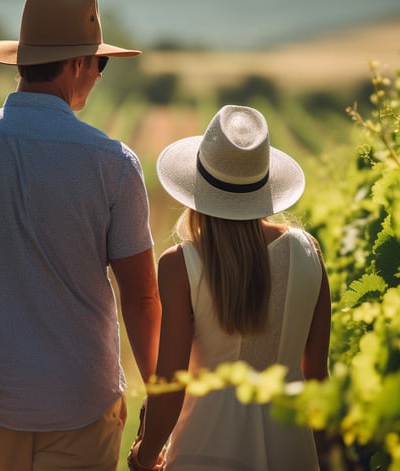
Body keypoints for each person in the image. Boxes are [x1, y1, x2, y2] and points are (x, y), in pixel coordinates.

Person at [0, 0, 161, 469]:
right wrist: (160, 400)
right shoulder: (114, 163)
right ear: (79, 63)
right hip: (84, 401)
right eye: (100, 63)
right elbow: (141, 298)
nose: (100, 76)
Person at [128, 105, 332, 471]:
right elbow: (316, 374)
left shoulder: (180, 264)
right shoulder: (308, 251)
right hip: (289, 450)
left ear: (198, 186)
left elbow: (172, 385)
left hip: (203, 451)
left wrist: (145, 456)